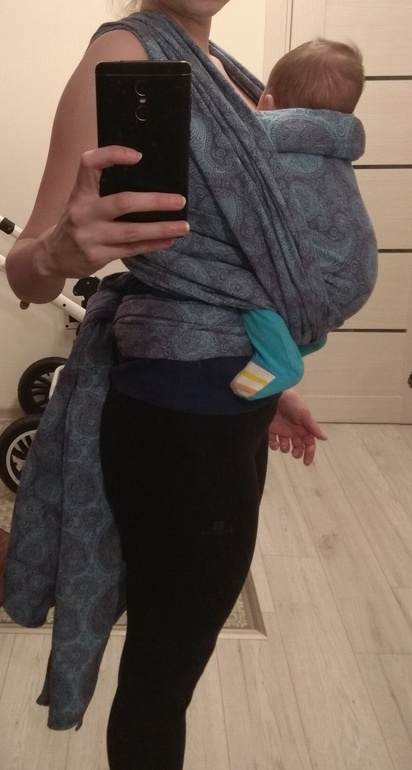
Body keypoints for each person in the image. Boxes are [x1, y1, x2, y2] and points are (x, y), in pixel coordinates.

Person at [3, 2, 328, 768]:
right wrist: (59, 252)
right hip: (179, 422)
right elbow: (26, 269)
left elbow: (216, 274)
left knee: (175, 648)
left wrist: (270, 385)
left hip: (222, 401)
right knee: (164, 667)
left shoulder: (223, 65)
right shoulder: (123, 50)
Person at [231, 38, 377, 399]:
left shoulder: (260, 139)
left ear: (267, 103)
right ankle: (306, 338)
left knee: (244, 288)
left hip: (325, 282)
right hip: (360, 271)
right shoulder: (334, 145)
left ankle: (280, 361)